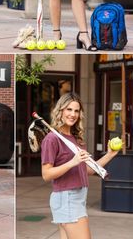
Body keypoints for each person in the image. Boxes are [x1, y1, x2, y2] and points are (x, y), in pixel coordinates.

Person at [41, 93, 119, 239]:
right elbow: (46, 174)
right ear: (60, 111)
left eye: (76, 111)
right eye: (68, 109)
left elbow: (86, 170)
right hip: (67, 198)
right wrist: (72, 162)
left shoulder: (76, 138)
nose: (73, 114)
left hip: (78, 197)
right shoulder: (52, 139)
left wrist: (109, 155)